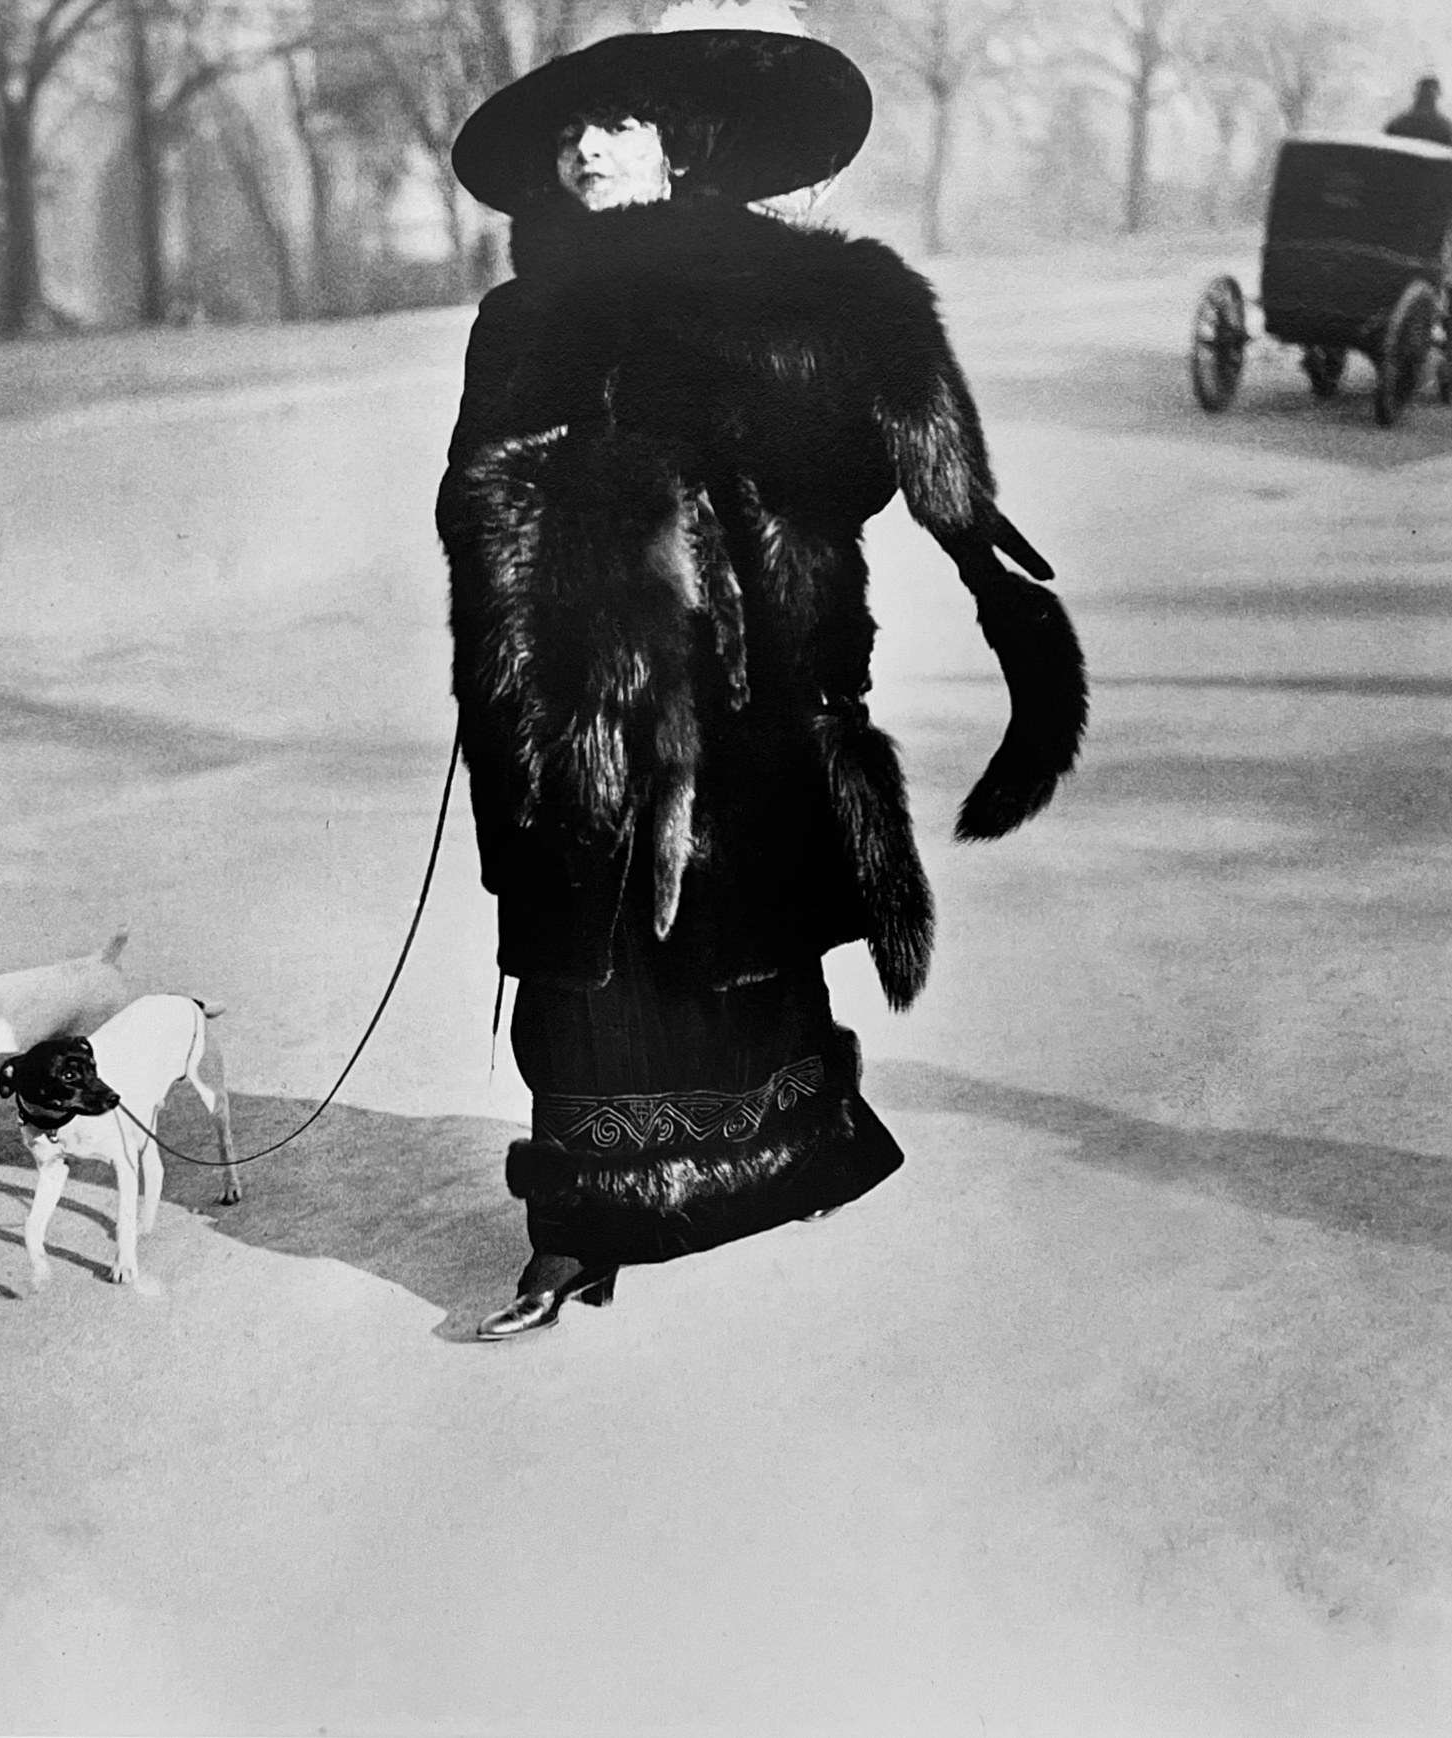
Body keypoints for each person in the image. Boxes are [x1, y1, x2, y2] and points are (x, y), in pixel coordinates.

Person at [437, 13, 1087, 1340]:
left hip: (749, 696)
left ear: (681, 142)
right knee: (589, 968)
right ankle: (580, 1230)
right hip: (571, 706)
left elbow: (880, 447)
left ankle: (775, 1158)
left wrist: (988, 583)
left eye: (614, 123)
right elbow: (476, 507)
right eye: (568, 131)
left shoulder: (803, 290)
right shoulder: (521, 319)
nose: (585, 152)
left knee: (740, 938)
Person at [1385, 76, 1452, 149]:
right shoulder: (1444, 127)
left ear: (1416, 95)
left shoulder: (1397, 124)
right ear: (1436, 97)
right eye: (1426, 95)